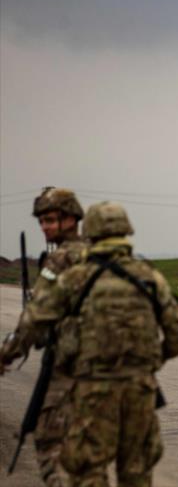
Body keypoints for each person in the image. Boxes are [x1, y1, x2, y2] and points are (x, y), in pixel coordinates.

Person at [3, 201, 178, 487]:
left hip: (94, 390)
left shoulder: (76, 278)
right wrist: (151, 363)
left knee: (88, 471)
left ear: (89, 230)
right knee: (137, 472)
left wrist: (6, 354)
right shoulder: (149, 276)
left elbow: (33, 322)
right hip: (141, 390)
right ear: (126, 231)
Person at [0, 187, 88, 487]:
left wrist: (5, 354)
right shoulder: (101, 255)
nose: (45, 227)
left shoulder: (61, 260)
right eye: (42, 221)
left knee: (50, 446)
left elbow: (35, 318)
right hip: (113, 374)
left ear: (71, 218)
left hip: (71, 370)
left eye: (51, 219)